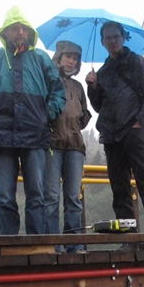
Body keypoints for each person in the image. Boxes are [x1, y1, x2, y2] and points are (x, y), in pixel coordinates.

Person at [0, 6, 65, 235]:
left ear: (29, 32)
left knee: (37, 194)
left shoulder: (41, 59)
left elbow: (58, 92)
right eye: (14, 28)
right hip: (1, 137)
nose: (20, 33)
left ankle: (37, 245)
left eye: (23, 28)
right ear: (6, 32)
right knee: (5, 196)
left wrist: (46, 114)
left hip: (35, 136)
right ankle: (8, 245)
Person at [85, 21, 144, 251]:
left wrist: (141, 120)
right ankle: (129, 238)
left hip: (134, 132)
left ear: (123, 38)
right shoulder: (101, 72)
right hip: (111, 136)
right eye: (108, 38)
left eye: (115, 36)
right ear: (102, 42)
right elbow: (99, 106)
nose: (112, 41)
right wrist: (92, 88)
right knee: (119, 188)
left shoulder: (138, 62)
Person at [44, 41, 92, 254]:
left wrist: (94, 86)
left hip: (75, 145)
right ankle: (52, 245)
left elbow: (82, 117)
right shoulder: (47, 81)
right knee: (51, 197)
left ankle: (74, 244)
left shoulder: (79, 86)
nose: (71, 61)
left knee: (74, 198)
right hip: (51, 144)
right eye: (68, 56)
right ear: (59, 57)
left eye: (75, 58)